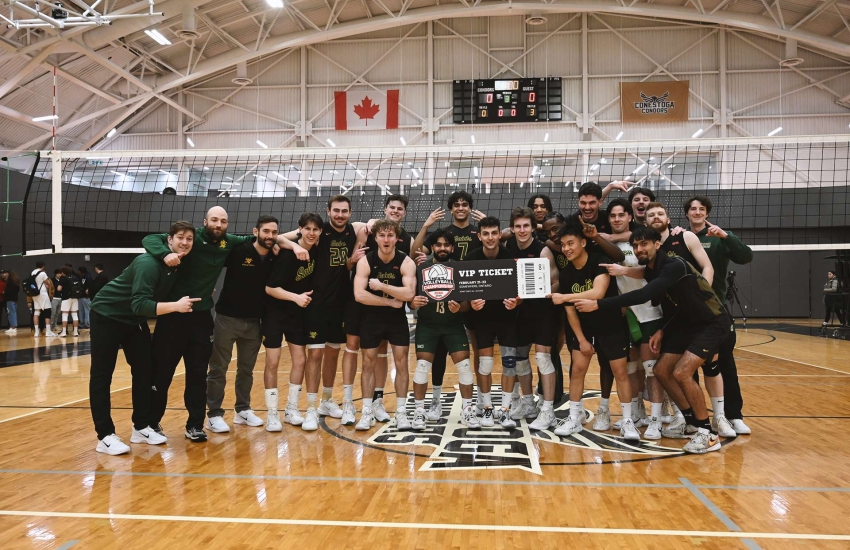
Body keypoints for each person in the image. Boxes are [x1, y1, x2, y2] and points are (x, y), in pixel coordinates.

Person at [142, 206, 307, 442]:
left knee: (214, 372)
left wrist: (296, 243)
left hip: (222, 318)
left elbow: (272, 237)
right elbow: (149, 239)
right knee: (190, 370)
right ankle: (166, 421)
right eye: (214, 220)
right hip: (198, 315)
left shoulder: (230, 241)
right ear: (205, 221)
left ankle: (222, 416)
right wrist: (163, 254)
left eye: (223, 221)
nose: (218, 224)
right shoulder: (194, 239)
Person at [574, 226, 733, 454]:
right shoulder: (653, 268)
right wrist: (663, 330)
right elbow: (643, 274)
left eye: (644, 244)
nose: (639, 249)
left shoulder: (673, 265)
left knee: (682, 372)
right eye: (635, 245)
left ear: (657, 244)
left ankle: (707, 433)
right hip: (685, 324)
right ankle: (690, 420)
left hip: (712, 323)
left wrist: (598, 304)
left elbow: (644, 294)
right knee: (661, 370)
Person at [89, 220, 199, 456]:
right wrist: (176, 306)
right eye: (180, 237)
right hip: (107, 314)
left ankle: (140, 427)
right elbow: (139, 305)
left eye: (189, 238)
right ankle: (104, 436)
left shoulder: (178, 262)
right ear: (169, 240)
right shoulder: (148, 263)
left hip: (133, 320)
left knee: (145, 371)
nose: (185, 242)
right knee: (102, 375)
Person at [279, 196, 366, 425]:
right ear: (328, 211)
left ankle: (326, 401)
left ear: (350, 213)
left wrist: (353, 258)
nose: (340, 215)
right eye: (336, 210)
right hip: (316, 303)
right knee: (315, 355)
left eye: (344, 211)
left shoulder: (353, 232)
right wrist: (295, 245)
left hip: (340, 303)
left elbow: (370, 226)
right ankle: (310, 408)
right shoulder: (318, 230)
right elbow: (278, 238)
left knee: (333, 353)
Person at [552, 223, 640, 441]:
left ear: (583, 242)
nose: (566, 249)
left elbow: (598, 292)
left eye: (570, 243)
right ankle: (574, 417)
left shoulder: (600, 262)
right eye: (563, 245)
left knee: (620, 372)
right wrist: (581, 339)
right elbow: (570, 312)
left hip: (610, 325)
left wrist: (564, 297)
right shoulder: (566, 274)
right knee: (577, 371)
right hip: (584, 328)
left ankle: (627, 421)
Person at [683, 196, 754, 436]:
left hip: (716, 310)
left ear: (707, 213)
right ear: (687, 213)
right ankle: (695, 417)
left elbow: (746, 257)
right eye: (693, 209)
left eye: (701, 209)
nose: (697, 212)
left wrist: (726, 236)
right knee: (688, 366)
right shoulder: (681, 237)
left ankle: (733, 415)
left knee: (725, 363)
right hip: (688, 311)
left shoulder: (719, 237)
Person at [205, 216, 279, 434]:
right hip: (227, 319)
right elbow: (211, 261)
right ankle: (214, 414)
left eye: (274, 232)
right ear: (256, 232)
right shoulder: (238, 251)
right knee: (218, 368)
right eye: (266, 231)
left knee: (246, 369)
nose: (270, 236)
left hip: (254, 322)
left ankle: (243, 409)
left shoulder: (275, 256)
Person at [348, 195, 415, 425]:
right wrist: (390, 301)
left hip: (397, 321)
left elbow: (409, 294)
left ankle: (401, 413)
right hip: (372, 318)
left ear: (397, 238)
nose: (386, 239)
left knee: (402, 363)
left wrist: (382, 287)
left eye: (390, 235)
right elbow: (359, 295)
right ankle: (367, 412)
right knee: (368, 364)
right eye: (382, 235)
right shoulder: (366, 261)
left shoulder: (406, 261)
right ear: (375, 237)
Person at [603, 199, 665, 439]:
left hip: (650, 312)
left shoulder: (642, 242)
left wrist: (624, 270)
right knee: (632, 367)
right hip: (626, 315)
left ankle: (658, 418)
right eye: (613, 215)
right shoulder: (610, 245)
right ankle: (638, 413)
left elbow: (649, 271)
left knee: (651, 368)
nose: (617, 219)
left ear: (630, 217)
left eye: (621, 214)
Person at [408, 229, 478, 429]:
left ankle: (467, 409)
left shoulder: (459, 269)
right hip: (427, 325)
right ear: (432, 247)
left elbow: (467, 303)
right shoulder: (421, 268)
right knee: (422, 366)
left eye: (446, 245)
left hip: (452, 325)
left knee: (464, 366)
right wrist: (412, 303)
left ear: (452, 248)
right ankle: (419, 411)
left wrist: (460, 307)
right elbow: (410, 298)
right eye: (438, 245)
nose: (442, 248)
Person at [263, 213, 322, 432]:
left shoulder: (316, 250)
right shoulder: (288, 254)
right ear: (300, 230)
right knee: (273, 362)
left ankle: (291, 409)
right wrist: (296, 298)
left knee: (300, 360)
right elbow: (270, 288)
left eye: (315, 230)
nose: (311, 233)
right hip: (275, 313)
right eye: (307, 229)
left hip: (296, 315)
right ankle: (272, 414)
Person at [505, 207, 560, 431]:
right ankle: (528, 403)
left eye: (526, 226)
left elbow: (556, 282)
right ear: (512, 228)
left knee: (543, 359)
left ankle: (548, 410)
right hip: (518, 313)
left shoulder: (543, 250)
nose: (522, 230)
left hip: (543, 312)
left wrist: (536, 292)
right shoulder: (508, 248)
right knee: (519, 359)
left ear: (532, 228)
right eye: (518, 226)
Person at [464, 216, 521, 428]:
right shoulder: (471, 259)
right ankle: (487, 408)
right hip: (483, 319)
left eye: (494, 233)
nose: (490, 238)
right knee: (485, 364)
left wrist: (517, 301)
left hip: (507, 318)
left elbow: (521, 290)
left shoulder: (511, 257)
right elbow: (464, 292)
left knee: (509, 364)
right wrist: (471, 302)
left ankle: (505, 411)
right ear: (479, 236)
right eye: (485, 234)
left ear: (500, 235)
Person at [55, 266, 83, 338]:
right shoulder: (75, 278)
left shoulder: (63, 278)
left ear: (63, 272)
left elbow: (59, 288)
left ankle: (64, 332)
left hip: (66, 298)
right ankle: (75, 332)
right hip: (75, 298)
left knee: (65, 315)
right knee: (75, 315)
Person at [30, 261, 56, 337]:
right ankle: (48, 331)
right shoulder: (42, 273)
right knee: (47, 311)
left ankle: (36, 332)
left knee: (36, 312)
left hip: (34, 294)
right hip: (42, 294)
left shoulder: (32, 272)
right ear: (43, 266)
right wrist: (46, 284)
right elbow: (48, 283)